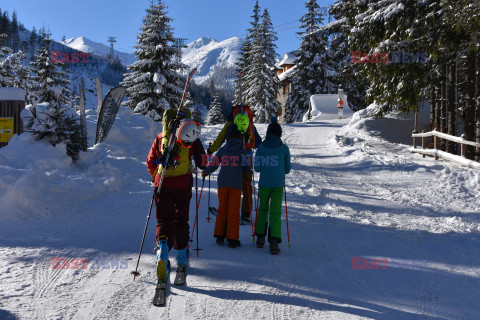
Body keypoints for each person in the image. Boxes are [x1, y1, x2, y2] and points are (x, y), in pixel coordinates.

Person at [147, 109, 206, 282]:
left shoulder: (160, 137)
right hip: (182, 185)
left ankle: (162, 254)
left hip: (162, 184)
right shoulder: (191, 137)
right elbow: (203, 163)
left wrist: (156, 179)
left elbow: (150, 161)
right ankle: (181, 256)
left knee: (163, 221)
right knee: (181, 220)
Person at [207, 106, 262, 225]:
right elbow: (258, 143)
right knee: (247, 184)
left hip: (231, 155)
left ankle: (226, 210)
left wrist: (211, 150)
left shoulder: (229, 125)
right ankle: (246, 214)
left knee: (230, 182)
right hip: (247, 155)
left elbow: (220, 139)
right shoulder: (250, 124)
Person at [202, 124, 250, 248]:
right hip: (235, 184)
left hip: (222, 183)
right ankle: (232, 239)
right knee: (233, 211)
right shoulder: (242, 151)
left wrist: (205, 172)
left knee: (222, 208)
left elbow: (214, 165)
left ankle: (219, 236)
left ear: (228, 137)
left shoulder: (223, 149)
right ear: (239, 137)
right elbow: (246, 170)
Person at [254, 116, 291, 255]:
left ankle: (260, 238)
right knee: (275, 212)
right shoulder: (284, 148)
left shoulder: (261, 148)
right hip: (277, 185)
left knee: (262, 209)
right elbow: (287, 169)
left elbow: (257, 168)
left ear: (268, 133)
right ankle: (274, 242)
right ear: (279, 134)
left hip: (264, 184)